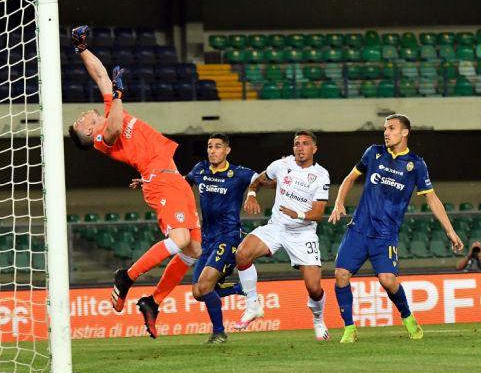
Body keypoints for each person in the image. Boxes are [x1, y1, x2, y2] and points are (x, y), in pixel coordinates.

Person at [68, 26, 202, 339]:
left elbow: (100, 75)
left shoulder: (107, 110)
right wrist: (118, 94)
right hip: (160, 181)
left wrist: (81, 49)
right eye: (79, 122)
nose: (82, 116)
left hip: (175, 179)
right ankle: (126, 277)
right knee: (181, 239)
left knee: (194, 249)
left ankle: (153, 302)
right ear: (88, 132)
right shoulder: (102, 137)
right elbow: (114, 127)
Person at [329, 114, 464, 343]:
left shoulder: (416, 164)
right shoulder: (373, 153)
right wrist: (339, 201)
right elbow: (350, 178)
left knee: (388, 280)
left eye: (391, 128)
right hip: (360, 228)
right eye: (385, 128)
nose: (386, 132)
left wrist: (450, 230)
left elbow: (432, 198)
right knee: (341, 274)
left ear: (404, 132)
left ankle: (407, 316)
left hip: (386, 234)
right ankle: (349, 328)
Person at [239, 130, 331, 341]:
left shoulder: (321, 175)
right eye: (296, 144)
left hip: (303, 233)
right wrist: (251, 194)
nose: (300, 147)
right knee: (242, 254)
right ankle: (253, 305)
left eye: (305, 144)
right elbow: (258, 180)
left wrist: (296, 213)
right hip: (277, 227)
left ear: (314, 149)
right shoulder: (280, 165)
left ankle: (318, 319)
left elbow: (317, 214)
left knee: (314, 288)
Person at [184, 133, 260, 344]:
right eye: (210, 147)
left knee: (206, 285)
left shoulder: (239, 173)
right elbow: (181, 184)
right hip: (207, 240)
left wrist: (252, 194)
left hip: (228, 238)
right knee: (198, 292)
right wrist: (152, 183)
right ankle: (239, 289)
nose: (212, 151)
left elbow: (262, 180)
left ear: (227, 150)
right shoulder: (200, 170)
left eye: (218, 147)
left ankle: (219, 332)